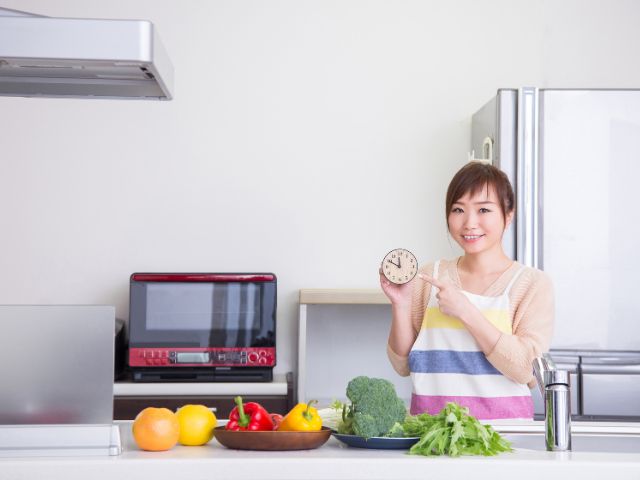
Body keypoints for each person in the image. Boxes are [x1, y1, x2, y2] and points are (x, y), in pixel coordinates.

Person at [380, 161, 554, 420]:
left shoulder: (531, 284)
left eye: (484, 209)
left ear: (509, 215)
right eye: (458, 210)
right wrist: (401, 304)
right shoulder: (431, 276)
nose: (469, 223)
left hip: (504, 441)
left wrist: (466, 312)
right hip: (431, 437)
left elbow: (525, 369)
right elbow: (402, 365)